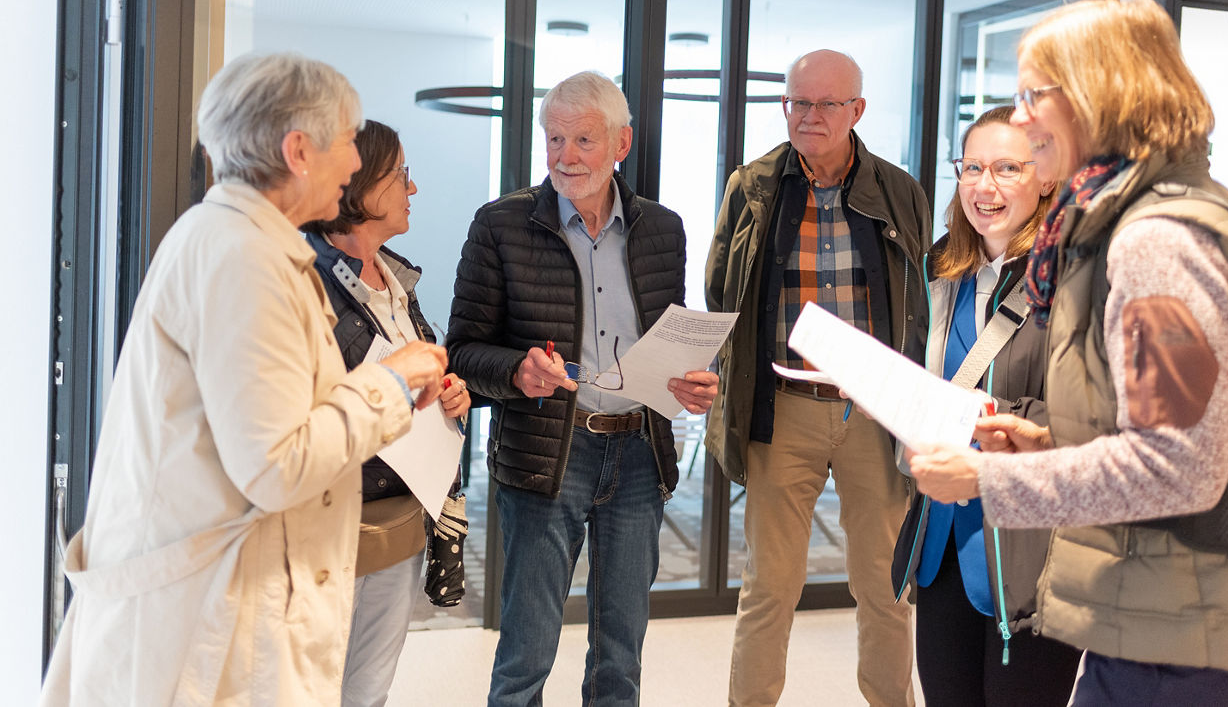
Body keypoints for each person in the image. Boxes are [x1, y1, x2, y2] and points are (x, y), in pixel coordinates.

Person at [908, 0, 1228, 702]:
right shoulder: (1162, 216)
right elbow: (1187, 440)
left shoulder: (1158, 242)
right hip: (1175, 619)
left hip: (1190, 637)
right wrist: (1051, 443)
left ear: (1095, 94)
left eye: (1032, 95)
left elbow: (1177, 469)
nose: (1018, 118)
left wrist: (987, 480)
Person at [40, 53, 448, 705]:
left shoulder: (241, 242)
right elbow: (277, 464)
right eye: (346, 141)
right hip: (211, 619)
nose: (352, 163)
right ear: (298, 151)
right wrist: (391, 383)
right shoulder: (243, 259)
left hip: (222, 599)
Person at [446, 71, 719, 706]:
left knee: (621, 651)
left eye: (583, 141)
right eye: (555, 140)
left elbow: (668, 345)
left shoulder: (664, 230)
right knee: (527, 648)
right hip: (548, 455)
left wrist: (692, 385)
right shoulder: (500, 225)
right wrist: (516, 371)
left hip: (638, 457)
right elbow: (461, 352)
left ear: (622, 144)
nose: (566, 157)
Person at [706, 48, 931, 707]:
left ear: (856, 110)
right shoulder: (753, 186)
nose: (809, 116)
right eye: (797, 102)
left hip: (873, 412)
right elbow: (722, 290)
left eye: (826, 104)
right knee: (769, 588)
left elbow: (921, 299)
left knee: (885, 587)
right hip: (785, 406)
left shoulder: (897, 190)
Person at [889, 106, 1080, 706]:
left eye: (1006, 168)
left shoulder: (1072, 276)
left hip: (1030, 548)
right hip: (943, 539)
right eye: (971, 167)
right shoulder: (940, 268)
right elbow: (923, 377)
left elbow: (1091, 415)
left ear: (1045, 176)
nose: (983, 186)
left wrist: (999, 410)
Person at [302, 120, 471, 707]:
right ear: (362, 184)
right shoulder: (308, 285)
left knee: (367, 690)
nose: (413, 189)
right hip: (335, 527)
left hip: (400, 517)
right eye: (402, 176)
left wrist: (452, 392)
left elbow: (420, 368)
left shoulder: (396, 276)